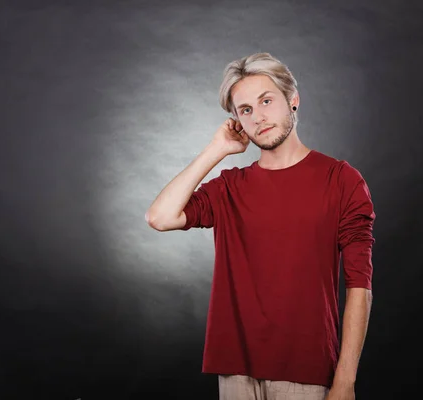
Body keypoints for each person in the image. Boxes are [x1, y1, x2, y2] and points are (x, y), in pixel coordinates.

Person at [145, 52, 375, 400]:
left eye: (266, 101)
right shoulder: (229, 187)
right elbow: (159, 217)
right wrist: (216, 149)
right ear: (236, 120)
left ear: (292, 100)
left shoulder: (341, 180)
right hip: (236, 370)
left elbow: (360, 285)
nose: (258, 117)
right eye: (245, 110)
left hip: (306, 369)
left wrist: (345, 380)